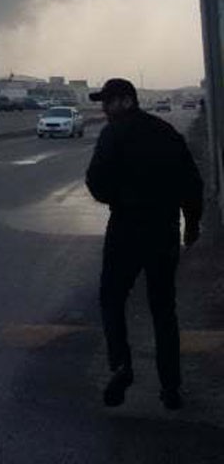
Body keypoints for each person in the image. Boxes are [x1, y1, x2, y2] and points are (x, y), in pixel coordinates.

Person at [86, 78, 203, 411]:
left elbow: (96, 182)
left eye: (108, 102)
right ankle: (171, 387)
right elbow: (192, 183)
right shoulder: (166, 133)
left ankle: (121, 365)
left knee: (112, 298)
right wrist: (192, 225)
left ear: (126, 101)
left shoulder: (113, 134)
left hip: (125, 229)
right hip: (163, 230)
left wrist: (119, 198)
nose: (104, 109)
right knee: (163, 308)